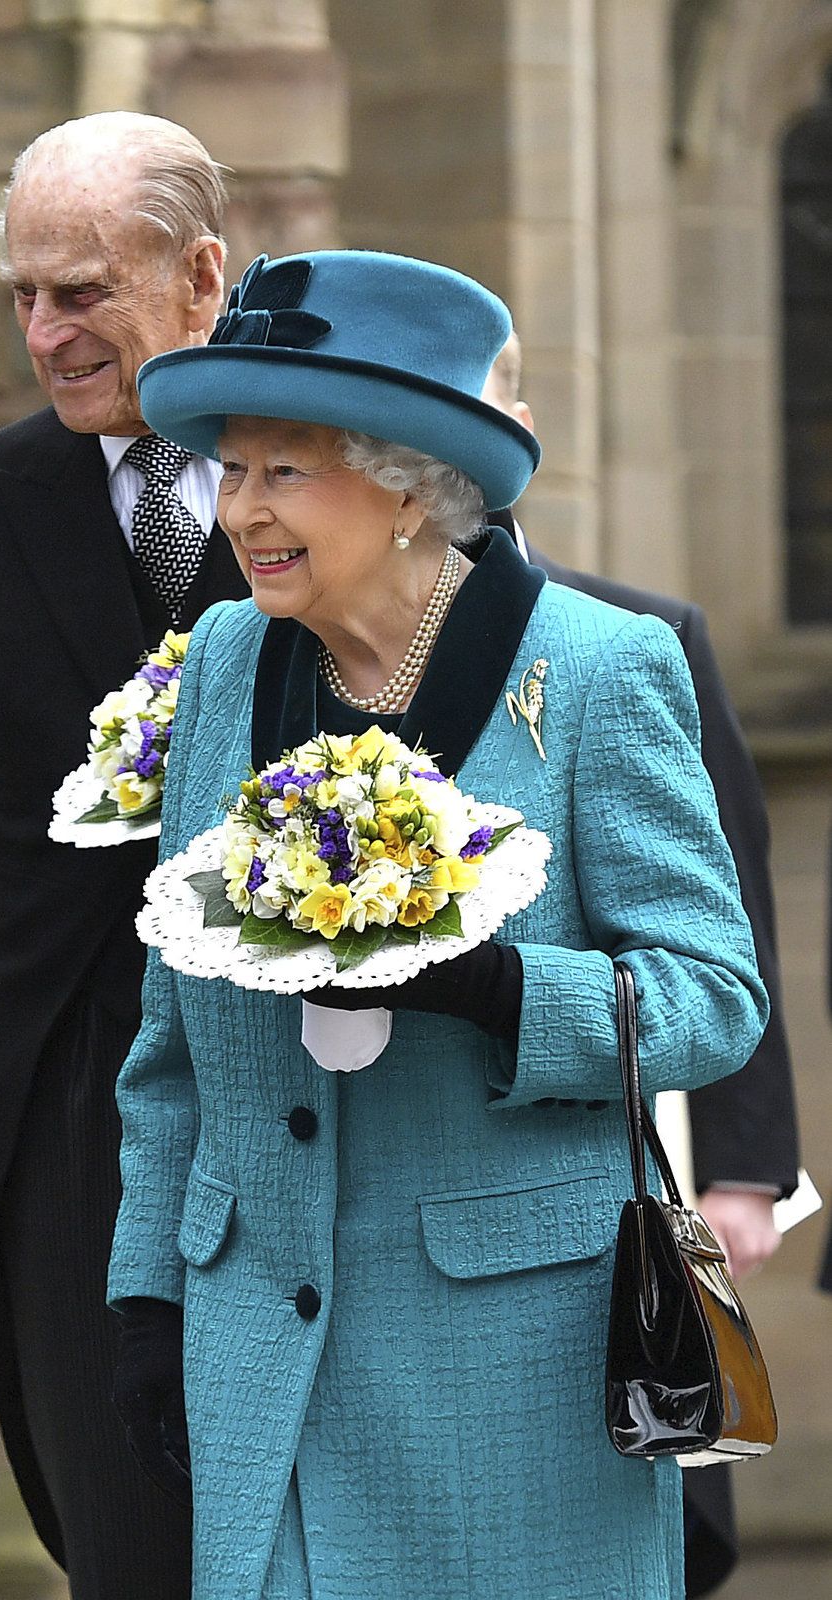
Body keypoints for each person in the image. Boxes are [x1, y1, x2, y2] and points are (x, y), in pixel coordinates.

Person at [106, 249, 769, 1600]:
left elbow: (709, 996)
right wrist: (143, 1299)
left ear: (408, 482)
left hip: (513, 1372)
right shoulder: (224, 664)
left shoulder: (593, 671)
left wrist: (497, 990)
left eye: (282, 471)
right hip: (259, 1356)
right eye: (230, 471)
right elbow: (167, 1039)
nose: (238, 512)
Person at [0, 112, 248, 1600]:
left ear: (201, 276)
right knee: (127, 1529)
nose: (45, 333)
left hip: (337, 1066)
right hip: (78, 1095)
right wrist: (104, 977)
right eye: (22, 297)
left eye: (82, 291)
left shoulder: (337, 481)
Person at [481, 336, 801, 1595]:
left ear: (515, 417)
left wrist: (744, 1168)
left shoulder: (637, 638)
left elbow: (731, 924)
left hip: (637, 1108)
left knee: (672, 1461)